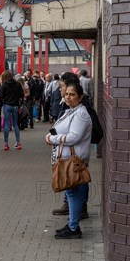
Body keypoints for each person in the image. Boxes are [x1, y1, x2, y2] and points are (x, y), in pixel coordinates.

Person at [45, 83, 92, 239]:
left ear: (80, 97)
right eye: (66, 94)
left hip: (74, 161)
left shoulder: (81, 114)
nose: (68, 97)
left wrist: (53, 139)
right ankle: (72, 224)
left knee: (73, 194)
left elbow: (74, 137)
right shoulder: (71, 111)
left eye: (72, 94)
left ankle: (73, 227)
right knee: (71, 192)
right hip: (67, 160)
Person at [0, 70, 24, 151]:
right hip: (15, 106)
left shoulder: (4, 85)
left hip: (7, 106)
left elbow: (1, 98)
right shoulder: (17, 84)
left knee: (6, 125)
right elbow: (22, 95)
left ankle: (6, 144)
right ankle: (18, 143)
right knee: (15, 125)